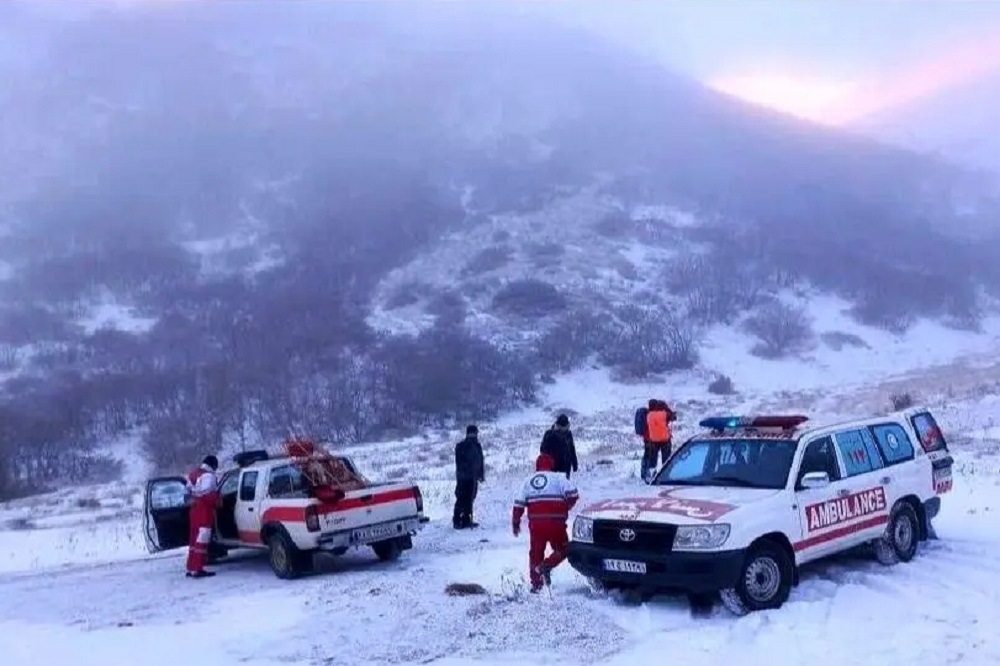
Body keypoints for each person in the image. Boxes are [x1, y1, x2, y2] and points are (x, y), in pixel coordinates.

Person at [512, 453, 579, 592]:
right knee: (564, 548)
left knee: (535, 553)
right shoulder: (559, 478)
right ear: (551, 465)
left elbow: (518, 504)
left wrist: (515, 523)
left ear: (537, 466)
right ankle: (547, 565)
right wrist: (565, 507)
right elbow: (574, 495)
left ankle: (536, 584)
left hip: (536, 525)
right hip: (556, 523)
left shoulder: (528, 481)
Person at [185, 454, 221, 578]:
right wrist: (217, 499)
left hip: (194, 510)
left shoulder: (193, 473)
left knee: (193, 540)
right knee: (202, 540)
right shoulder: (209, 476)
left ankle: (190, 568)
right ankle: (198, 569)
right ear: (213, 465)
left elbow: (188, 491)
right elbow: (206, 495)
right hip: (204, 511)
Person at [453, 424, 485, 529]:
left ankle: (465, 520)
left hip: (467, 477)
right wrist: (480, 474)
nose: (475, 435)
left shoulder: (468, 445)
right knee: (463, 498)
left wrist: (480, 474)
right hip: (466, 477)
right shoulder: (466, 446)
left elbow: (480, 461)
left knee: (467, 498)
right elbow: (477, 461)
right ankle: (458, 520)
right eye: (474, 433)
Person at [642, 400, 677, 482]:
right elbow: (673, 417)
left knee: (653, 460)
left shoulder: (649, 415)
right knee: (666, 460)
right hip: (665, 440)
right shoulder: (664, 414)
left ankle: (651, 476)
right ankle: (666, 476)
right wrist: (668, 409)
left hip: (653, 440)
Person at [539, 413, 578, 479]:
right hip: (553, 468)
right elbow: (542, 450)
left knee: (565, 486)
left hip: (566, 467)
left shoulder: (568, 434)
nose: (565, 430)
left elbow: (572, 449)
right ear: (558, 425)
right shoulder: (549, 434)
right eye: (563, 428)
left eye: (566, 427)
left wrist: (574, 463)